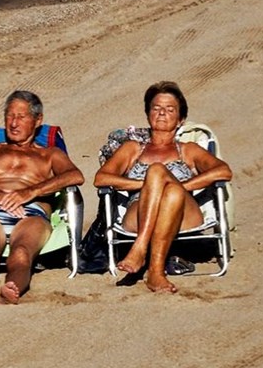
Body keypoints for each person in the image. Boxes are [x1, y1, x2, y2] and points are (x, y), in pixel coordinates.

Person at [0, 90, 84, 305]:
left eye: (21, 117)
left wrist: (30, 192)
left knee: (21, 253)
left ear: (37, 120)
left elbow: (75, 176)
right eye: (9, 116)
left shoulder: (49, 154)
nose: (13, 123)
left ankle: (11, 289)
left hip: (31, 214)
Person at [93, 82, 230, 294]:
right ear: (148, 114)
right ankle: (156, 273)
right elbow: (101, 178)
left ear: (181, 119)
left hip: (183, 212)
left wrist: (182, 185)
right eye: (156, 108)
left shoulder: (188, 150)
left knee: (164, 178)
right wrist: (148, 184)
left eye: (170, 109)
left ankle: (140, 247)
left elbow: (223, 171)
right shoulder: (133, 149)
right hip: (137, 210)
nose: (162, 113)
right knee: (165, 184)